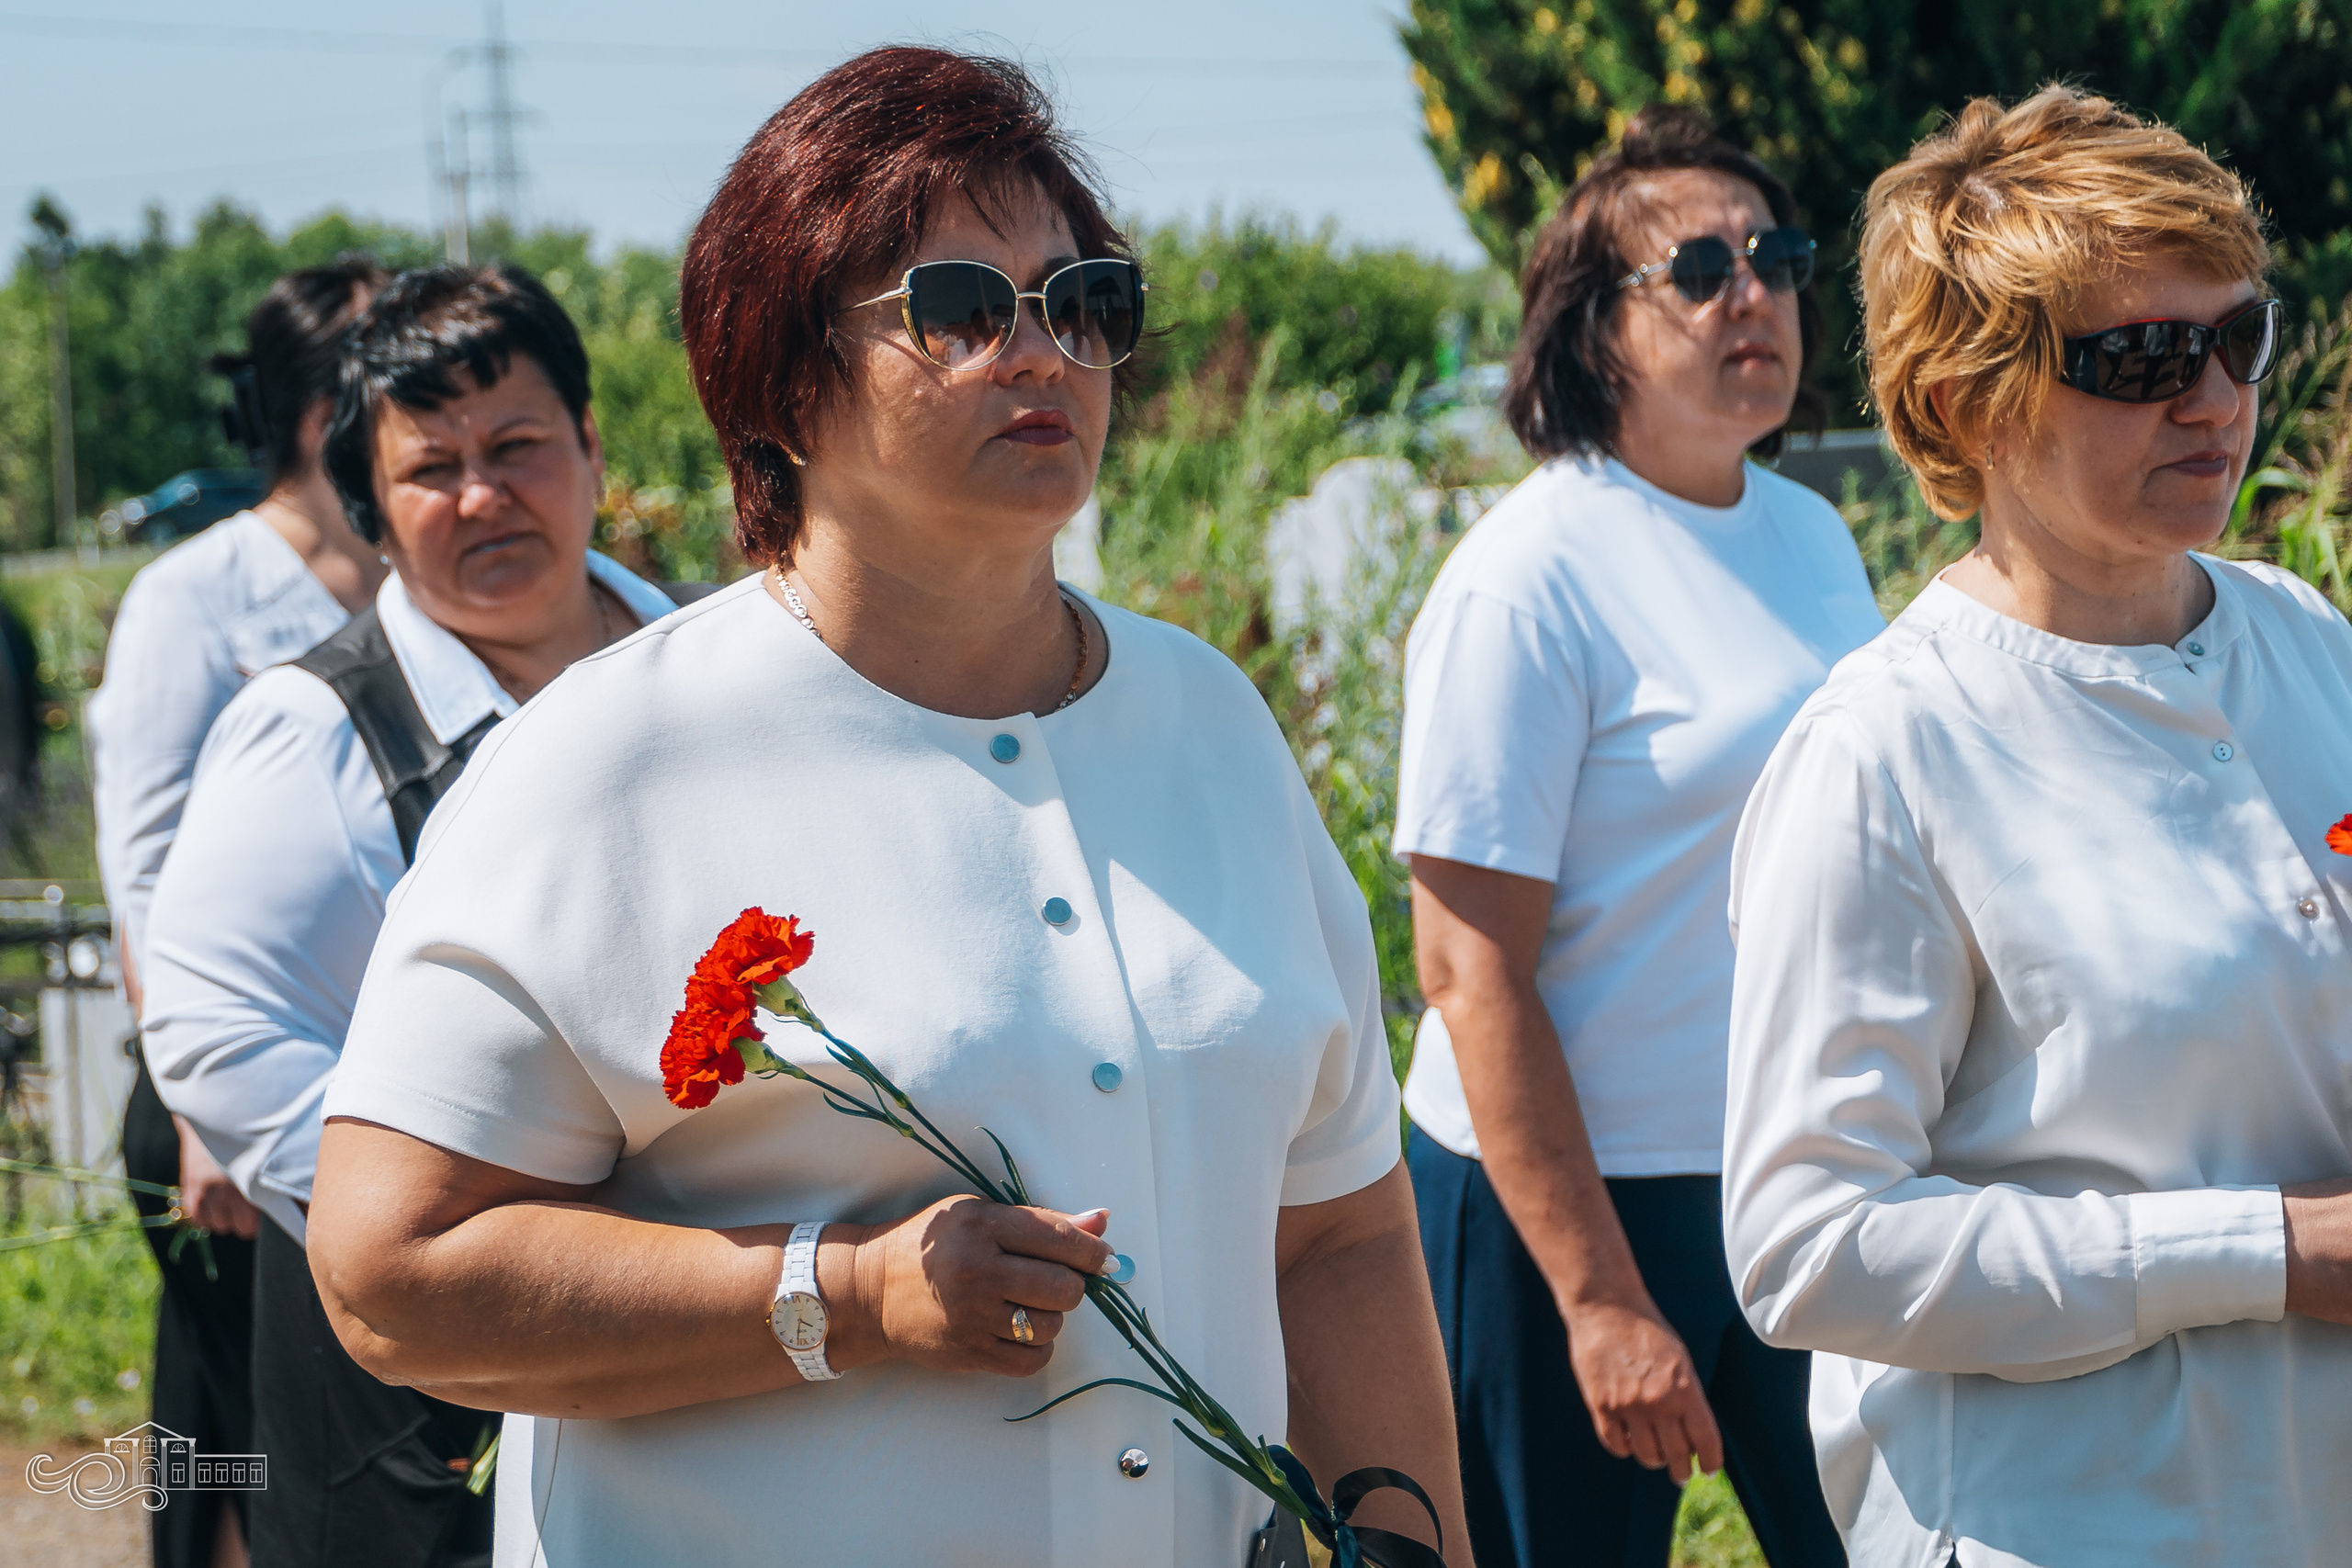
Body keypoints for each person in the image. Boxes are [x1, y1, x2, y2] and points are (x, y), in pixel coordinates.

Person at [300, 47, 1470, 1568]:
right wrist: (838, 1299)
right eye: (963, 310)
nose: (1042, 352)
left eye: (1082, 302)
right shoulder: (608, 761)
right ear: (781, 382)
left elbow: (1338, 1228)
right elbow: (395, 1269)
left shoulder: (1212, 727)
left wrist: (1416, 1545)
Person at [1718, 85, 2352, 1568]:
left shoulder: (2308, 639)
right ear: (1959, 404)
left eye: (2238, 336)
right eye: (2140, 357)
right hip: (2076, 1529)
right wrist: (2267, 1254)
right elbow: (1810, 1245)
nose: (2213, 398)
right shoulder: (1886, 749)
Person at [141, 262, 685, 1568]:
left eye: (518, 447)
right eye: (432, 469)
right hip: (411, 1395)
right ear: (374, 513)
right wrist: (421, 1234)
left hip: (684, 1317)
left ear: (593, 446)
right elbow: (217, 1023)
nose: (484, 495)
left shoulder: (704, 671)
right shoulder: (316, 728)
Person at [1391, 107, 1873, 1568]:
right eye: (1704, 266)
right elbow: (1471, 973)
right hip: (1564, 1209)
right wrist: (1600, 1300)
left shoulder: (1812, 536)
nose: (1756, 293)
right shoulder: (1527, 581)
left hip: (1787, 1168)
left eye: (1777, 257)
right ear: (1594, 332)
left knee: (1880, 1534)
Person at [85, 255, 387, 1568]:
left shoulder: (413, 574)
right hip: (224, 1080)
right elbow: (141, 862)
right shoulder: (193, 597)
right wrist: (206, 1111)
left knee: (344, 1415)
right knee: (234, 1417)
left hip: (372, 1074)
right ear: (326, 416)